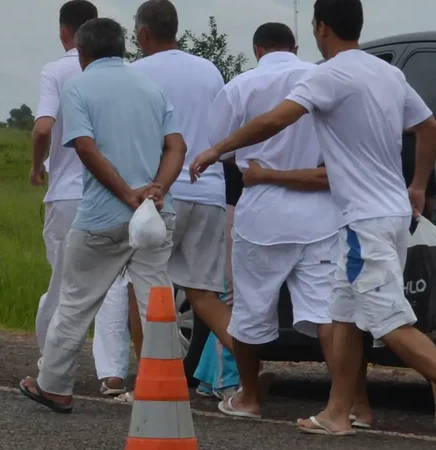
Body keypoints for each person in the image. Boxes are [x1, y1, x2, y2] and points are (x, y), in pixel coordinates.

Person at [190, 0, 436, 436]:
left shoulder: (330, 73)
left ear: (322, 27)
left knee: (389, 323)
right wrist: (417, 185)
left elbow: (273, 121)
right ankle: (338, 413)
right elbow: (427, 126)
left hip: (365, 221)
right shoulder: (388, 72)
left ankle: (321, 406)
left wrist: (214, 150)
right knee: (340, 312)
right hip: (380, 215)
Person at [19, 17, 186, 413]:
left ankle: (55, 386)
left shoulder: (78, 87)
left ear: (82, 53)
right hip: (156, 213)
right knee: (156, 303)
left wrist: (126, 193)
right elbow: (176, 146)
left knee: (76, 302)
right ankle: (165, 389)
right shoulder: (150, 87)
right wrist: (157, 188)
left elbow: (85, 147)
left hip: (103, 216)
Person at [208, 22, 338, 419]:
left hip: (262, 210)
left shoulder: (240, 87)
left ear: (256, 50)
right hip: (319, 210)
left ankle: (249, 397)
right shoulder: (322, 78)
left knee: (250, 308)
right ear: (296, 47)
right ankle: (345, 402)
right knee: (326, 313)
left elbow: (220, 147)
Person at [28, 0, 129, 396]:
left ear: (64, 32)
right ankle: (112, 372)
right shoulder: (124, 74)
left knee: (63, 283)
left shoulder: (56, 71)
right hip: (114, 189)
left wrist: (38, 165)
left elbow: (42, 128)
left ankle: (49, 363)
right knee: (114, 283)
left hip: (68, 191)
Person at [129, 0, 233, 354]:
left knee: (144, 285)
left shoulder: (137, 72)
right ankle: (249, 370)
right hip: (210, 190)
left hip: (161, 192)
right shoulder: (209, 70)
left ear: (143, 33)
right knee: (203, 293)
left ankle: (150, 376)